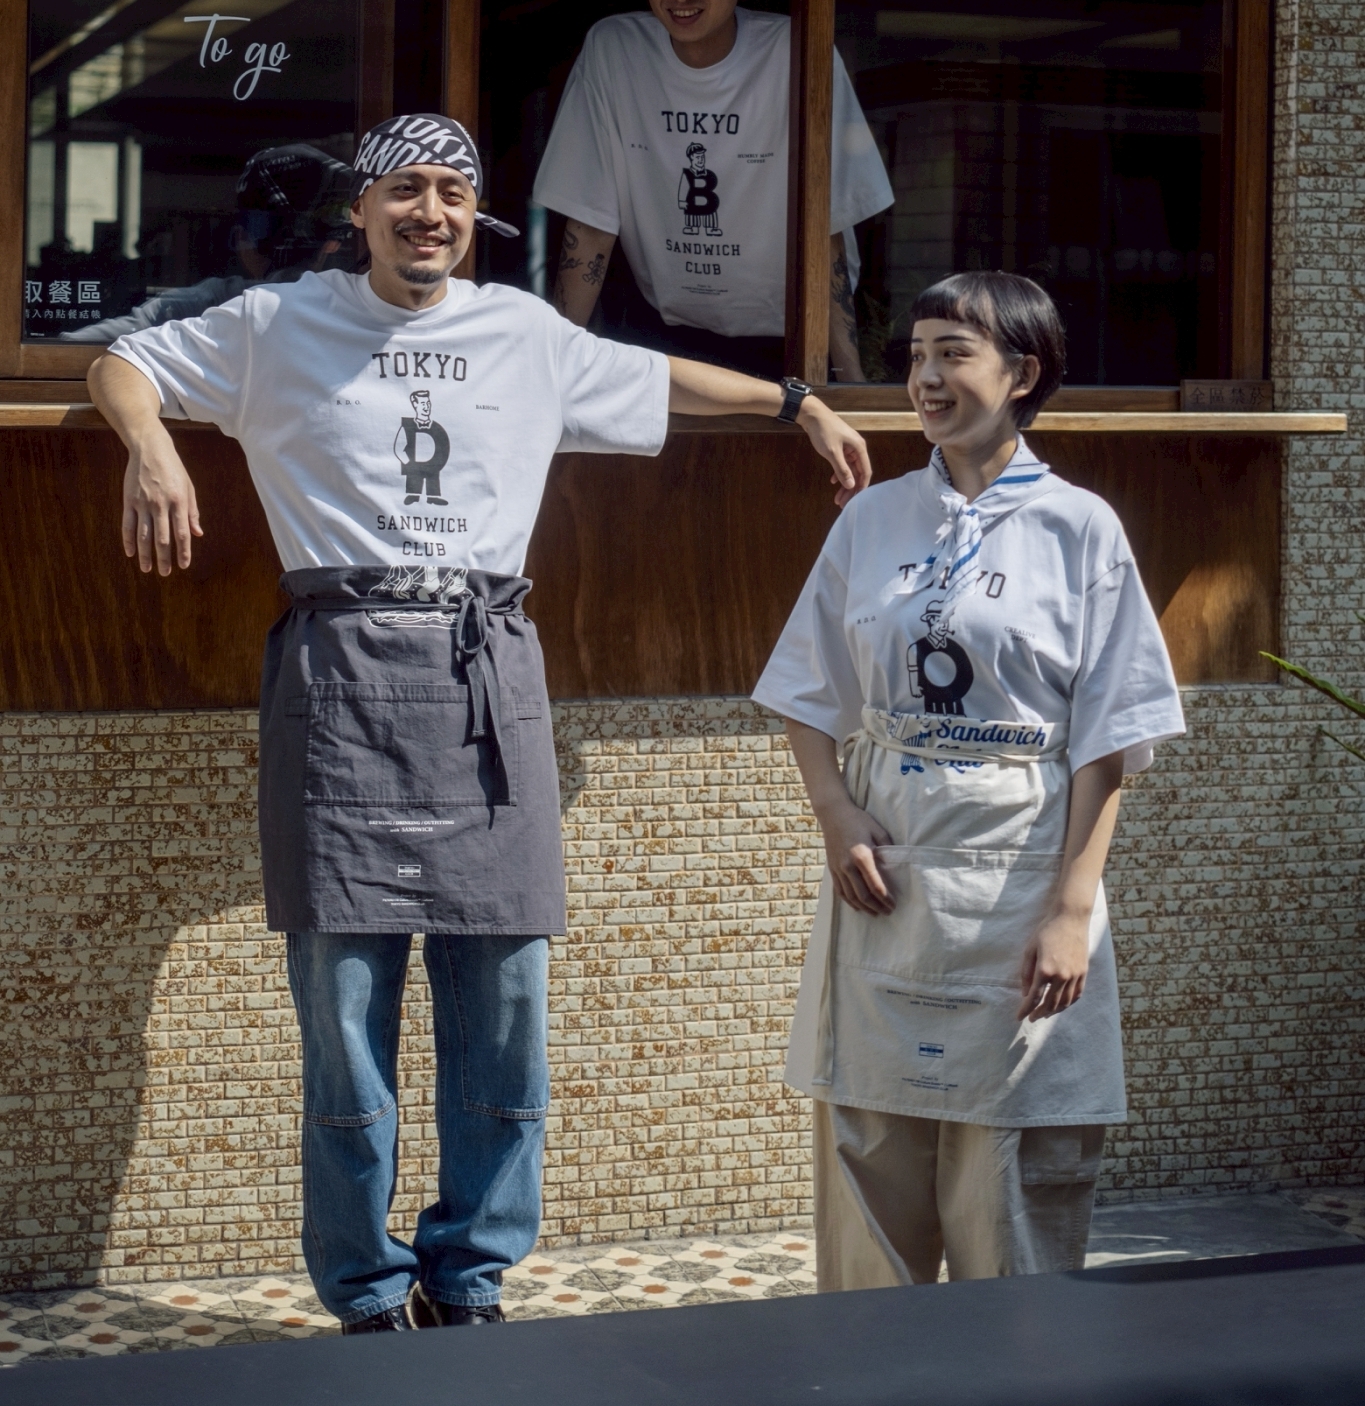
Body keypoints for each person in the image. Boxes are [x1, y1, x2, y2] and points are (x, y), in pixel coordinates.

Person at [86, 110, 871, 1335]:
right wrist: (152, 448)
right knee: (344, 1016)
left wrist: (797, 402)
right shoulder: (276, 322)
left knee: (505, 1005)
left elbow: (657, 376)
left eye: (452, 192)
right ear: (360, 209)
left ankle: (468, 1275)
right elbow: (123, 363)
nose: (431, 212)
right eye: (405, 189)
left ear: (475, 217)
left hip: (487, 669)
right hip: (338, 671)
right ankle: (364, 1288)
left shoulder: (523, 331)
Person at [752, 270, 1185, 1287]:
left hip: (1019, 869)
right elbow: (807, 686)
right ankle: (871, 1361)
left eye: (954, 352)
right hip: (887, 872)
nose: (926, 377)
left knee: (1010, 1174)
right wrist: (834, 811)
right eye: (916, 355)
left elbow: (1111, 734)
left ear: (1021, 373)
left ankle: (1015, 1363)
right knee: (871, 1149)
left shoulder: (1081, 527)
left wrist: (1071, 908)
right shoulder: (872, 518)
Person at [532, 0, 894, 380]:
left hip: (788, 336)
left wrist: (850, 377)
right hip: (666, 333)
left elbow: (826, 223)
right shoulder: (615, 52)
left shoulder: (796, 53)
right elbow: (591, 222)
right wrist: (552, 367)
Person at [60, 142, 355, 343]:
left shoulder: (210, 305)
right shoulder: (359, 308)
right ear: (334, 242)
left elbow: (74, 347)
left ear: (243, 237)